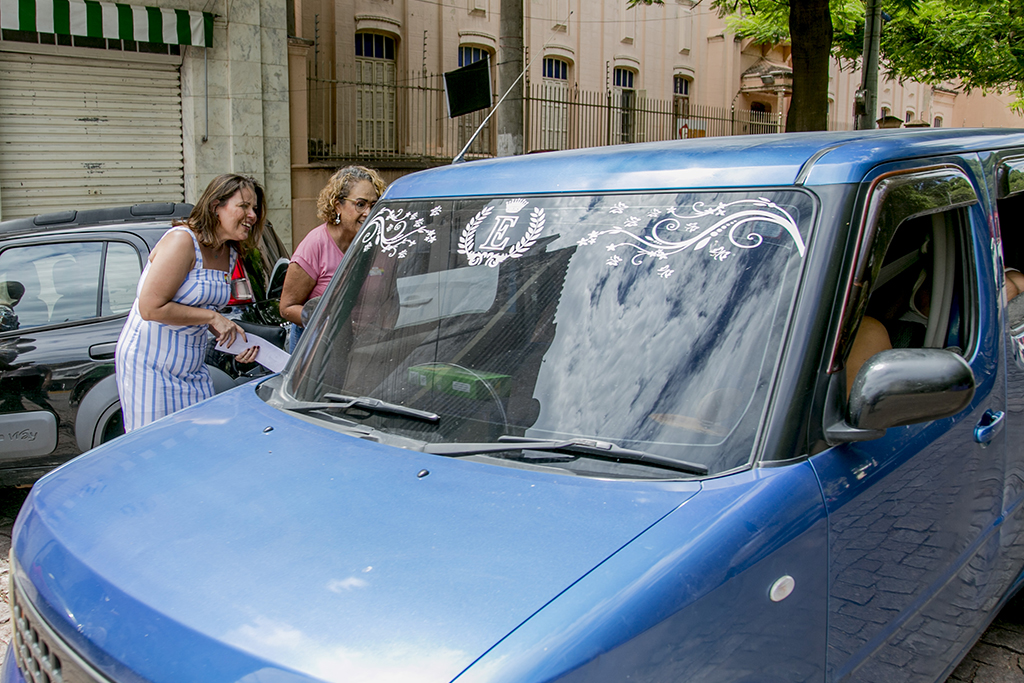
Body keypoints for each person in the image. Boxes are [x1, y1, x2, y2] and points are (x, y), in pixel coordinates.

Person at [115, 174, 265, 431]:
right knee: (158, 446)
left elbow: (201, 309)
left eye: (255, 208)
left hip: (191, 368)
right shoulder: (182, 241)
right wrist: (212, 318)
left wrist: (232, 339)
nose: (252, 214)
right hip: (151, 366)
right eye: (244, 206)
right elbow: (151, 308)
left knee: (197, 442)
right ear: (216, 206)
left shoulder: (229, 252)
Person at [280, 165, 386, 351]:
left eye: (374, 205)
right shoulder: (315, 245)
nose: (368, 213)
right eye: (360, 204)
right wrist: (330, 324)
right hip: (319, 351)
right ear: (338, 206)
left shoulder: (378, 244)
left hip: (367, 351)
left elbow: (391, 301)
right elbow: (287, 308)